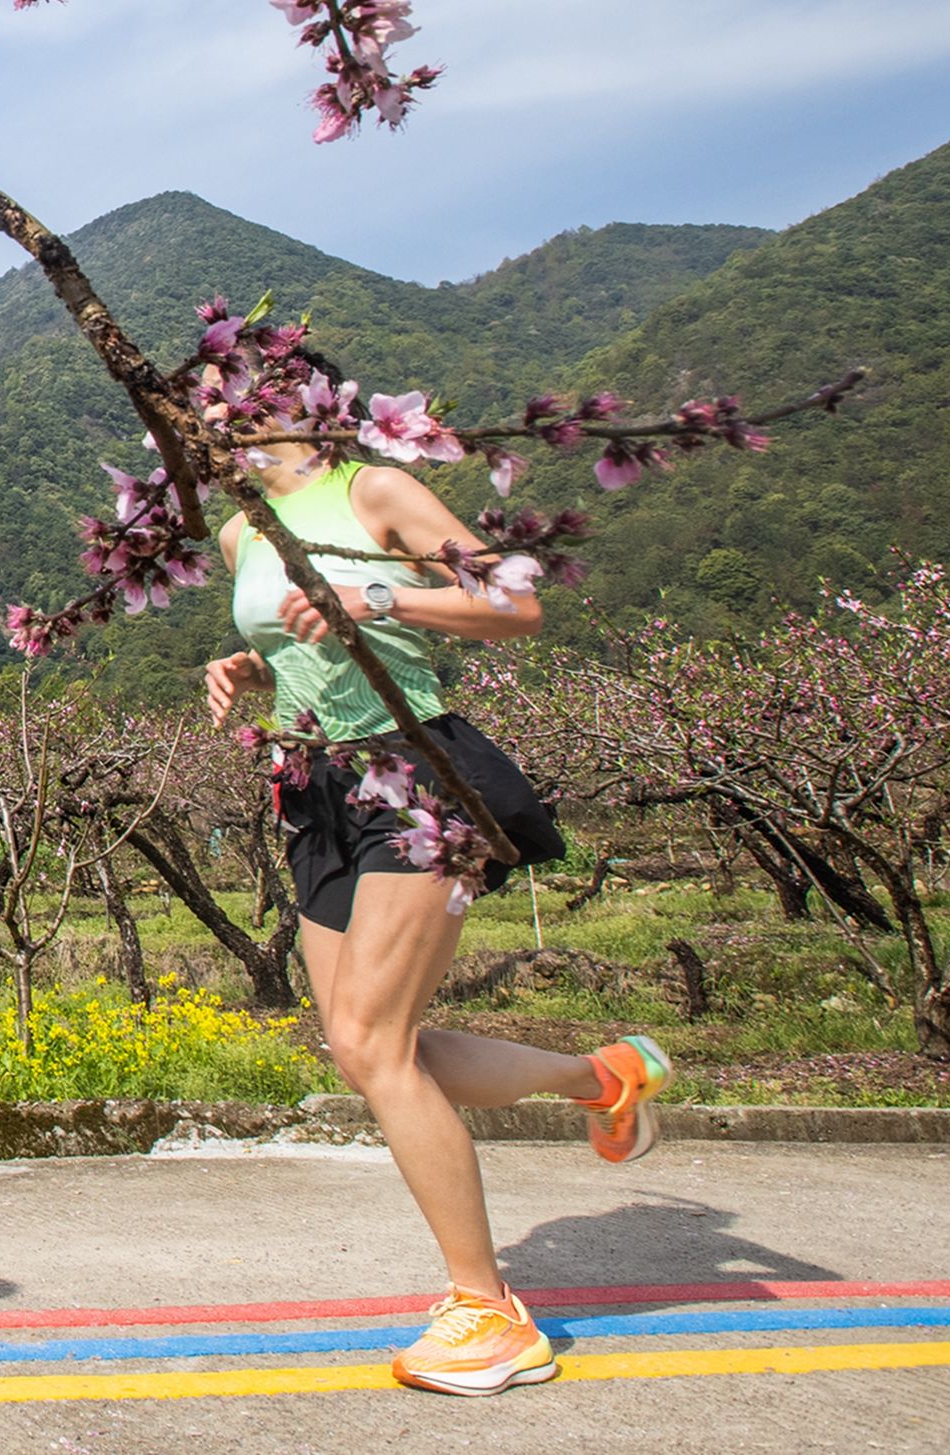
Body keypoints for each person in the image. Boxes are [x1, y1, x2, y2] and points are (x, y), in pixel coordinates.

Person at [202, 380, 671, 1399]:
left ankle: (487, 1312)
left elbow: (515, 601)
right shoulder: (244, 533)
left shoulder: (372, 489)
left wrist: (377, 596)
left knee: (373, 1044)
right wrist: (251, 667)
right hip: (313, 786)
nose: (201, 416)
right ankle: (597, 1080)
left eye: (218, 395)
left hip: (413, 773)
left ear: (283, 396)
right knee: (370, 1048)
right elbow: (302, 645)